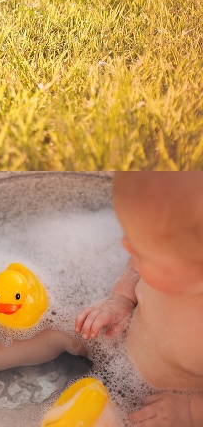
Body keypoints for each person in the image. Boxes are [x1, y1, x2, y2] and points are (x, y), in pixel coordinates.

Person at [75, 172, 203, 426]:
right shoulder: (178, 256)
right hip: (119, 339)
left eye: (140, 249)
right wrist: (120, 299)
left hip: (154, 403)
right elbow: (135, 267)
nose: (125, 246)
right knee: (62, 329)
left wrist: (189, 411)